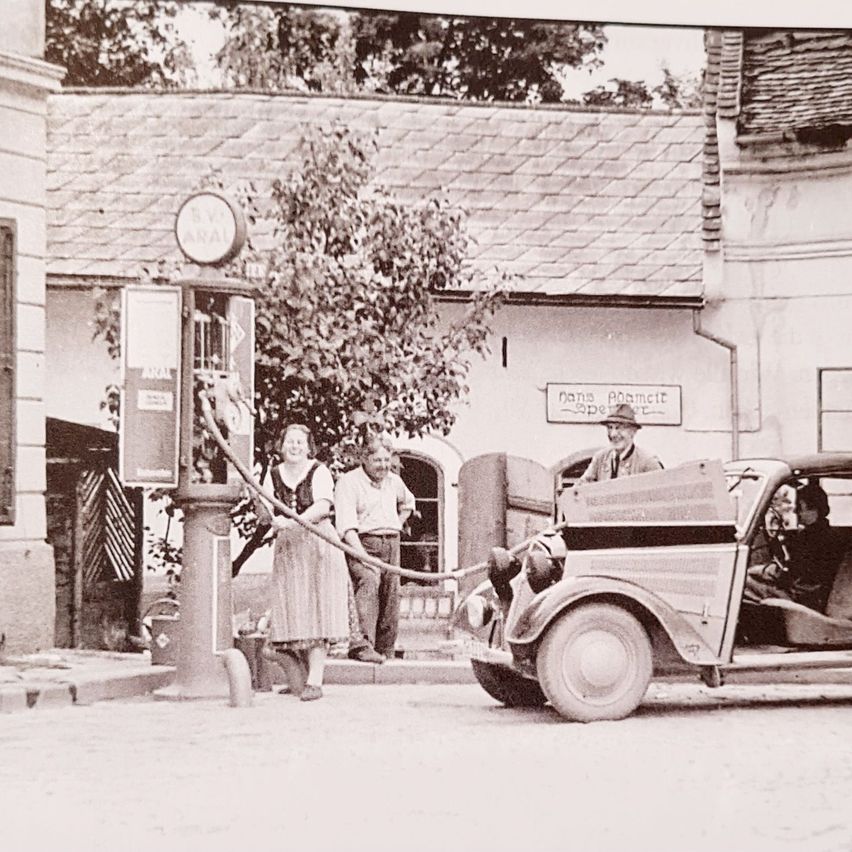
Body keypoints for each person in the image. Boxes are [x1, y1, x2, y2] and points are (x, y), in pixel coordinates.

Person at [260, 424, 348, 701]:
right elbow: (265, 511)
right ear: (281, 445)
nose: (294, 446)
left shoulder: (318, 471)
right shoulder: (273, 474)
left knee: (317, 611)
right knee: (292, 610)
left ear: (308, 447)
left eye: (300, 442)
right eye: (289, 441)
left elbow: (323, 506)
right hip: (289, 548)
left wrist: (292, 521)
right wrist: (265, 510)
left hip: (318, 543)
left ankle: (315, 681)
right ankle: (299, 678)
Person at [334, 433, 416, 663]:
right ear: (364, 458)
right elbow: (346, 526)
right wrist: (362, 555)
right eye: (377, 460)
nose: (383, 466)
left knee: (391, 593)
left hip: (391, 542)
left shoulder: (394, 481)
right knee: (369, 581)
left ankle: (386, 649)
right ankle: (362, 645)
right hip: (362, 542)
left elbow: (409, 503)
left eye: (386, 460)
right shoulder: (348, 482)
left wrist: (397, 523)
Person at [744, 481, 843, 613]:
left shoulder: (811, 539)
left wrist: (760, 571)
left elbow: (787, 574)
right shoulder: (826, 534)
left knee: (742, 583)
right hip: (811, 594)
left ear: (814, 509)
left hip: (799, 598)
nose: (796, 512)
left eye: (800, 508)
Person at [577, 403, 662, 484]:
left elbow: (662, 493)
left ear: (633, 431)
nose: (613, 434)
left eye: (619, 428)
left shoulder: (647, 462)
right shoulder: (600, 459)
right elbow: (579, 489)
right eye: (610, 428)